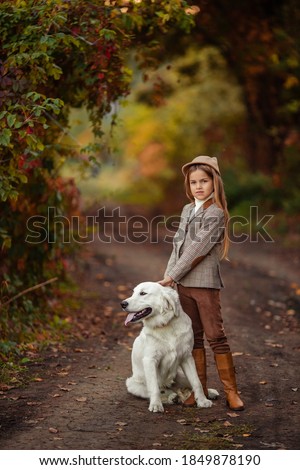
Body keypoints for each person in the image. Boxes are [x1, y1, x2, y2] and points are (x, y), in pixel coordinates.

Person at [158, 155, 244, 411]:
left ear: (214, 182)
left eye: (204, 181)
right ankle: (199, 390)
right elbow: (178, 247)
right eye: (194, 182)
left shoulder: (216, 213)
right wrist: (168, 278)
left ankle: (232, 392)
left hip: (204, 285)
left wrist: (172, 275)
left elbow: (198, 248)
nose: (198, 186)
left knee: (216, 336)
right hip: (182, 284)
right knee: (192, 338)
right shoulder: (187, 209)